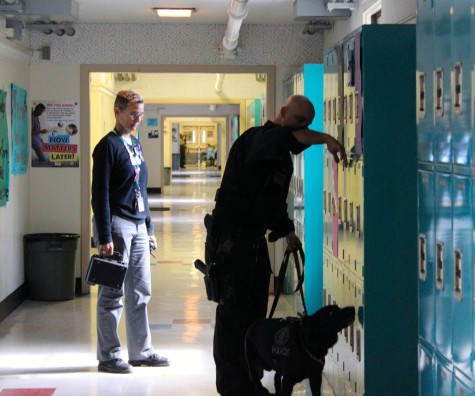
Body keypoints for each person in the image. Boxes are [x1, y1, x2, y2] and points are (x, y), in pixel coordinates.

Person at [204, 95, 348, 395]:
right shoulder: (260, 139)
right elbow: (287, 137)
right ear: (282, 112)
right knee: (233, 317)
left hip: (252, 243)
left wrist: (287, 233)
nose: (302, 129)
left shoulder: (279, 154)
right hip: (230, 245)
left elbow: (272, 200)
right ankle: (234, 387)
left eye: (306, 124)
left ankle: (251, 379)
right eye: (298, 122)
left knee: (255, 314)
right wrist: (327, 138)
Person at [91, 90, 169, 374]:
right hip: (117, 224)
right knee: (112, 293)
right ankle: (109, 356)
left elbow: (141, 190)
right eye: (133, 113)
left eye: (141, 114)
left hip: (137, 225)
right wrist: (105, 236)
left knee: (140, 292)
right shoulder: (107, 147)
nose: (138, 119)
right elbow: (99, 195)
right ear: (118, 111)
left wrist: (149, 227)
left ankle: (141, 351)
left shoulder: (135, 144)